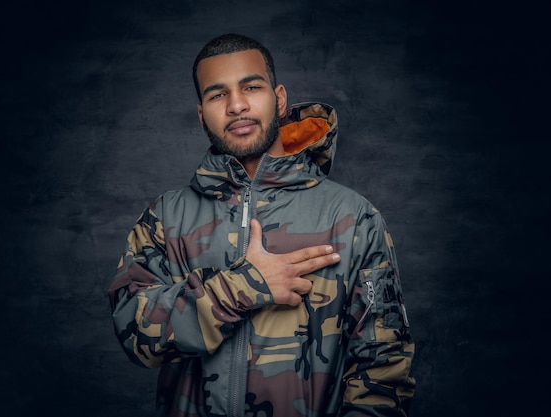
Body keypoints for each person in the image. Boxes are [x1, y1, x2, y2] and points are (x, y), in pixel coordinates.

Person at [108, 33, 416, 417]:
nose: (237, 105)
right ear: (201, 113)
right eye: (217, 94)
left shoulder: (353, 217)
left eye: (251, 86)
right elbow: (136, 339)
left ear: (280, 99)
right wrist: (245, 285)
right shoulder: (166, 218)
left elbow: (384, 368)